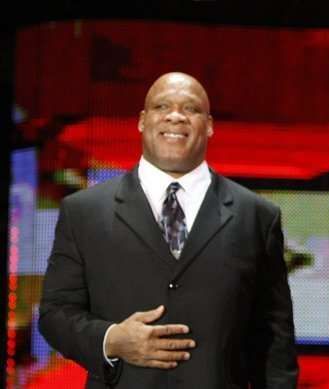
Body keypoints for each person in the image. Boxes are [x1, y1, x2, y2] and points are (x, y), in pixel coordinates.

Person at [38, 72, 299, 388]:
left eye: (190, 109)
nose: (176, 116)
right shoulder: (84, 212)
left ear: (210, 125)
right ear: (142, 121)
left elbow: (274, 340)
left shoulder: (257, 216)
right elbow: (55, 315)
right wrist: (112, 339)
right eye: (162, 106)